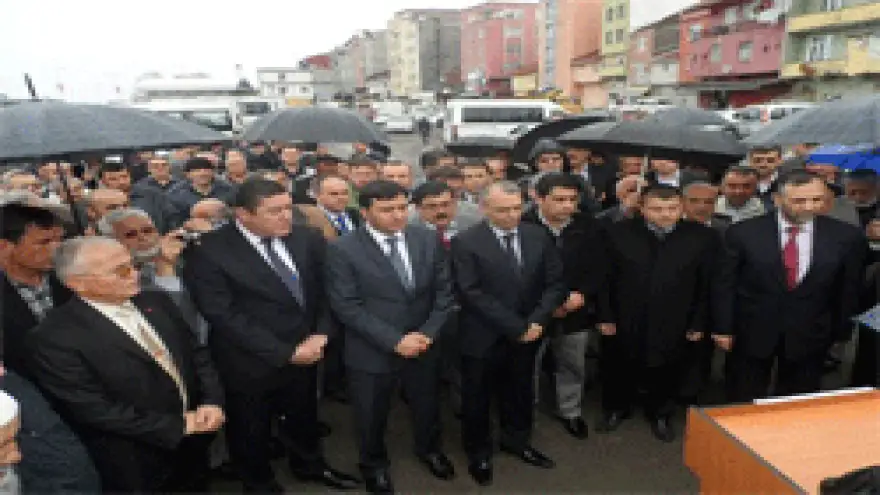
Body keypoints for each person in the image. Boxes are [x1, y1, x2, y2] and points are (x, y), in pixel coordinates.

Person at [182, 179, 357, 493]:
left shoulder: (307, 239)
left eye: (288, 208)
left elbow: (327, 292)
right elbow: (222, 313)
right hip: (248, 360)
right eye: (274, 211)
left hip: (307, 350)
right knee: (250, 426)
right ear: (243, 214)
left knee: (304, 414)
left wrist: (320, 334)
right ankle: (259, 482)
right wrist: (284, 352)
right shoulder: (209, 251)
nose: (285, 217)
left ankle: (309, 465)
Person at [25, 237, 225, 492]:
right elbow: (93, 408)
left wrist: (212, 401)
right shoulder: (54, 338)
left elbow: (196, 354)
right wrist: (179, 425)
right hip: (135, 460)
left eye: (132, 265)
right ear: (77, 283)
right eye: (120, 271)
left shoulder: (155, 300)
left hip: (194, 443)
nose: (135, 275)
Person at [326, 180, 456, 494]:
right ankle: (373, 464)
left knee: (427, 404)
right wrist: (395, 341)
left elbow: (444, 292)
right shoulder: (342, 249)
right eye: (387, 210)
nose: (397, 216)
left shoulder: (426, 239)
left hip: (424, 343)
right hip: (372, 349)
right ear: (365, 212)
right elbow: (347, 306)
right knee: (371, 414)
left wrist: (426, 333)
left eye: (402, 208)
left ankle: (430, 450)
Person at [715, 170, 867, 402]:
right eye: (799, 200)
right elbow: (726, 283)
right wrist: (723, 327)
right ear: (778, 199)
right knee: (742, 395)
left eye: (817, 199)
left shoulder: (846, 236)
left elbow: (848, 287)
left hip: (811, 331)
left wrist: (840, 330)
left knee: (797, 399)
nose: (809, 206)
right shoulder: (744, 233)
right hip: (752, 329)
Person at [451, 181, 566, 486]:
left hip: (530, 332)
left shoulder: (538, 235)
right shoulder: (466, 241)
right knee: (477, 397)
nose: (512, 215)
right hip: (483, 335)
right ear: (484, 208)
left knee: (520, 391)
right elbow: (470, 292)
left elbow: (555, 283)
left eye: (517, 208)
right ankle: (479, 452)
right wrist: (518, 326)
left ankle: (517, 441)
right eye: (503, 210)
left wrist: (539, 321)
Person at [597, 185, 720, 442]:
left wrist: (699, 321)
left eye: (672, 208)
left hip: (676, 315)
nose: (665, 214)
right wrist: (604, 315)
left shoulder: (702, 237)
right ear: (642, 208)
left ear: (682, 208)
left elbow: (708, 284)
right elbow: (604, 278)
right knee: (619, 362)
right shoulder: (617, 233)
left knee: (668, 365)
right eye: (657, 209)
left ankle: (660, 413)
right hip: (626, 313)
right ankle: (616, 408)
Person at [522, 173, 605, 439]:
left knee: (572, 362)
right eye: (559, 200)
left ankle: (570, 411)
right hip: (533, 312)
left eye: (572, 200)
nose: (567, 206)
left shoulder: (589, 226)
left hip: (575, 309)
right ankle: (525, 413)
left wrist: (582, 293)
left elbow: (599, 266)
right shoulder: (523, 225)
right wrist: (547, 305)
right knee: (528, 364)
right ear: (539, 198)